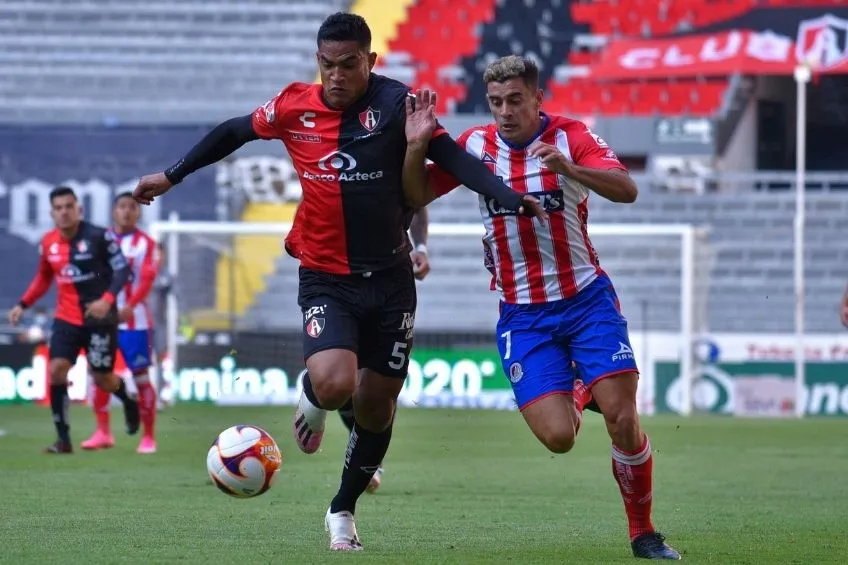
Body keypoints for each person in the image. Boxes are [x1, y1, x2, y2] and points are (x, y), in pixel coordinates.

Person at [131, 12, 544, 552]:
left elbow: (451, 159)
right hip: (326, 274)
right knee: (333, 384)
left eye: (348, 65)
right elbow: (234, 131)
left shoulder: (397, 106)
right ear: (317, 61)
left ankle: (341, 509)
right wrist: (172, 175)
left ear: (370, 61)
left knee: (377, 405)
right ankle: (312, 394)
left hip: (391, 277)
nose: (336, 76)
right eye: (327, 64)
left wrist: (508, 196)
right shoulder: (294, 106)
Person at [401, 56, 680, 560]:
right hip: (523, 315)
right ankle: (582, 386)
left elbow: (627, 189)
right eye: (496, 102)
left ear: (537, 98)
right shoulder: (476, 146)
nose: (505, 111)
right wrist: (416, 145)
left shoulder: (572, 137)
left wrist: (571, 170)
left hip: (587, 301)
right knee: (558, 438)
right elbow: (416, 192)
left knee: (622, 417)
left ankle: (643, 533)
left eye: (515, 100)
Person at [8, 186, 140, 454]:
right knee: (56, 369)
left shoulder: (99, 236)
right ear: (52, 213)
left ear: (79, 209)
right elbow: (44, 277)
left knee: (103, 379)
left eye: (69, 206)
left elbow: (123, 269)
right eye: (58, 208)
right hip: (66, 319)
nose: (64, 212)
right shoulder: (48, 242)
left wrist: (107, 300)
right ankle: (63, 440)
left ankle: (128, 399)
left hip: (99, 319)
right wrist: (23, 304)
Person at [334, 206, 431, 494]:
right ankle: (360, 442)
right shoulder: (332, 178)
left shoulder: (397, 176)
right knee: (341, 376)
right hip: (338, 278)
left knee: (376, 383)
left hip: (389, 281)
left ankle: (367, 457)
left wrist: (421, 247)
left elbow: (418, 202)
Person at [81, 192, 160, 454]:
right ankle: (103, 432)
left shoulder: (146, 244)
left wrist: (131, 305)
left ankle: (148, 437)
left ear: (139, 212)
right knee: (100, 373)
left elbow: (147, 279)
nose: (127, 211)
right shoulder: (99, 240)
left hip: (134, 321)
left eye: (132, 207)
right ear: (114, 211)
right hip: (103, 319)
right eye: (122, 207)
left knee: (141, 377)